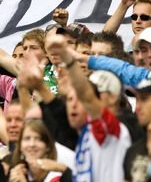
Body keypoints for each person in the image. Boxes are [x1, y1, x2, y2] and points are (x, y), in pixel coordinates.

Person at [45, 30, 132, 182]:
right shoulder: (86, 132)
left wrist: (68, 58)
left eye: (98, 93)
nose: (87, 100)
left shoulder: (111, 129)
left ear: (113, 98)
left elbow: (87, 97)